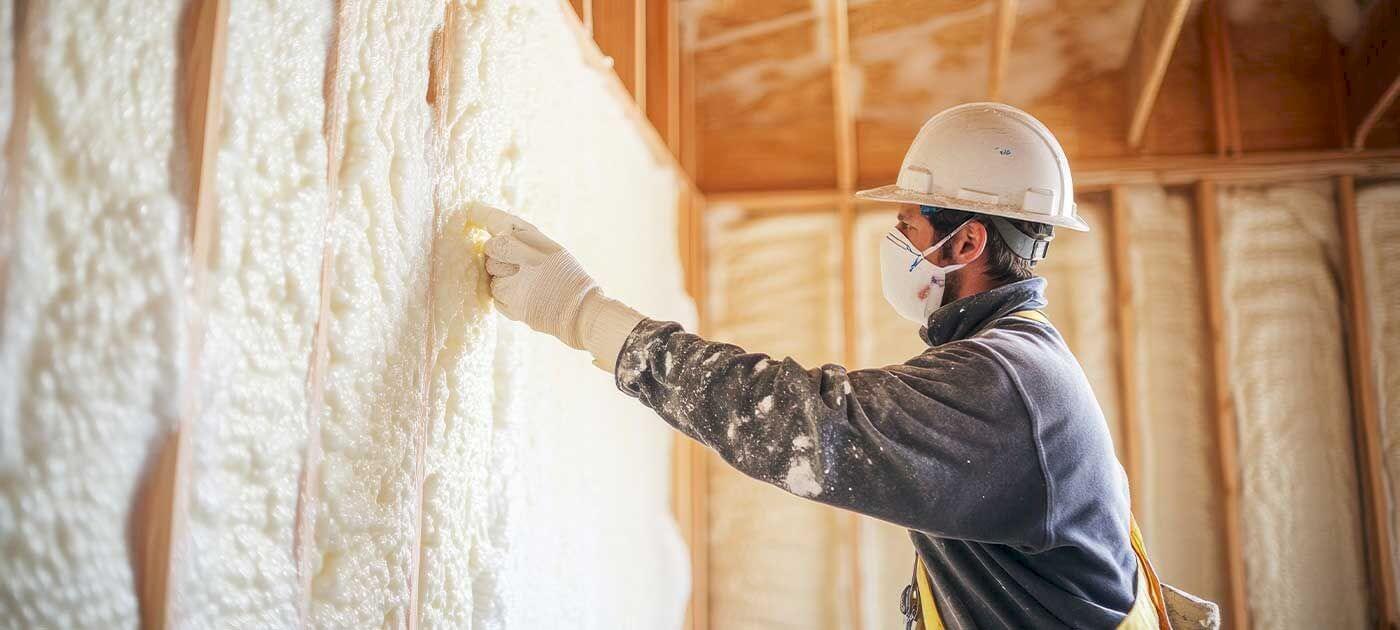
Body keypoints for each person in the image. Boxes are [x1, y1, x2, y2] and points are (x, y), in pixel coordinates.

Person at [472, 103, 1171, 629]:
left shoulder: (1003, 385)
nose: (897, 244)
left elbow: (804, 424)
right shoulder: (1017, 360)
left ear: (968, 242)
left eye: (909, 229)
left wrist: (582, 314)